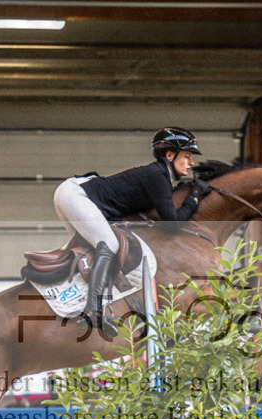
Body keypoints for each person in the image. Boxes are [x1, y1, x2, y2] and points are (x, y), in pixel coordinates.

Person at [52, 127, 213, 333]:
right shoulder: (158, 176)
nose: (191, 163)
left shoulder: (159, 176)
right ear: (170, 155)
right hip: (76, 195)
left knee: (95, 251)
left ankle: (74, 300)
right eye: (187, 156)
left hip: (73, 193)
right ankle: (92, 311)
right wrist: (195, 196)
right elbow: (172, 224)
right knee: (109, 245)